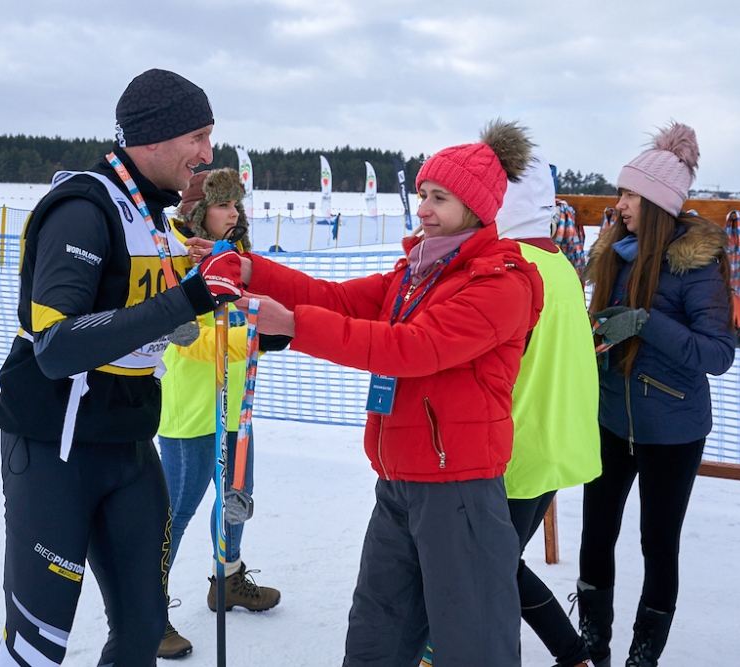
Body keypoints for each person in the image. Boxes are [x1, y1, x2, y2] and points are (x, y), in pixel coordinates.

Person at [238, 120, 545, 667]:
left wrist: (294, 325)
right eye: (423, 194)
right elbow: (333, 298)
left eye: (439, 198)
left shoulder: (501, 284)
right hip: (399, 481)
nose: (423, 208)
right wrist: (249, 268)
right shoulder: (417, 273)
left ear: (475, 209)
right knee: (377, 635)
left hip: (460, 489)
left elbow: (412, 348)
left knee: (472, 645)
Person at [0, 69, 243, 667]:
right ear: (152, 139)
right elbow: (55, 346)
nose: (208, 153)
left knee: (144, 626)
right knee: (37, 642)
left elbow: (168, 317)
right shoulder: (83, 208)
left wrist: (252, 321)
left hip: (127, 443)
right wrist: (187, 298)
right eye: (197, 137)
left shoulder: (154, 216)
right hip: (57, 448)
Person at [420, 153, 602, 667]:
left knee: (488, 569)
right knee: (496, 564)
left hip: (511, 451)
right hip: (556, 443)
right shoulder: (560, 265)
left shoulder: (505, 268)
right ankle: (573, 656)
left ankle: (564, 654)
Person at [577, 122, 734, 667]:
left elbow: (718, 354)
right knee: (596, 536)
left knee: (656, 545)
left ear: (657, 204)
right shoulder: (615, 253)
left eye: (628, 196)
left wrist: (646, 322)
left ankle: (643, 655)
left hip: (673, 430)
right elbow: (600, 329)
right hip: (610, 421)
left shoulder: (696, 264)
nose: (618, 205)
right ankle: (591, 647)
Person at [155, 168, 283, 660]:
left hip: (235, 407)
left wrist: (264, 328)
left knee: (237, 496)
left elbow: (243, 315)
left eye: (237, 204)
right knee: (175, 512)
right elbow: (185, 339)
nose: (235, 213)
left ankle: (227, 579)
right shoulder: (171, 257)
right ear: (197, 210)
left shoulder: (234, 258)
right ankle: (148, 607)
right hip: (191, 410)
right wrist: (251, 337)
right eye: (224, 204)